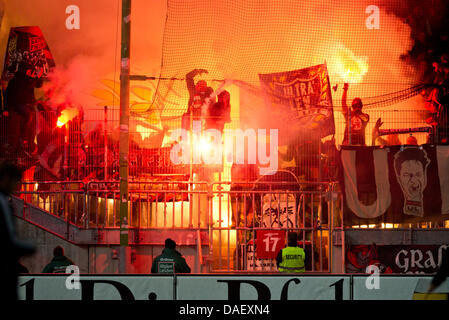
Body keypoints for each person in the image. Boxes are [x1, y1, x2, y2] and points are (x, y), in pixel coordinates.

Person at [0, 161, 36, 300]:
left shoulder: (6, 203)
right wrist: (25, 248)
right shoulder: (3, 203)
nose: (16, 187)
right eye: (15, 182)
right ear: (7, 179)